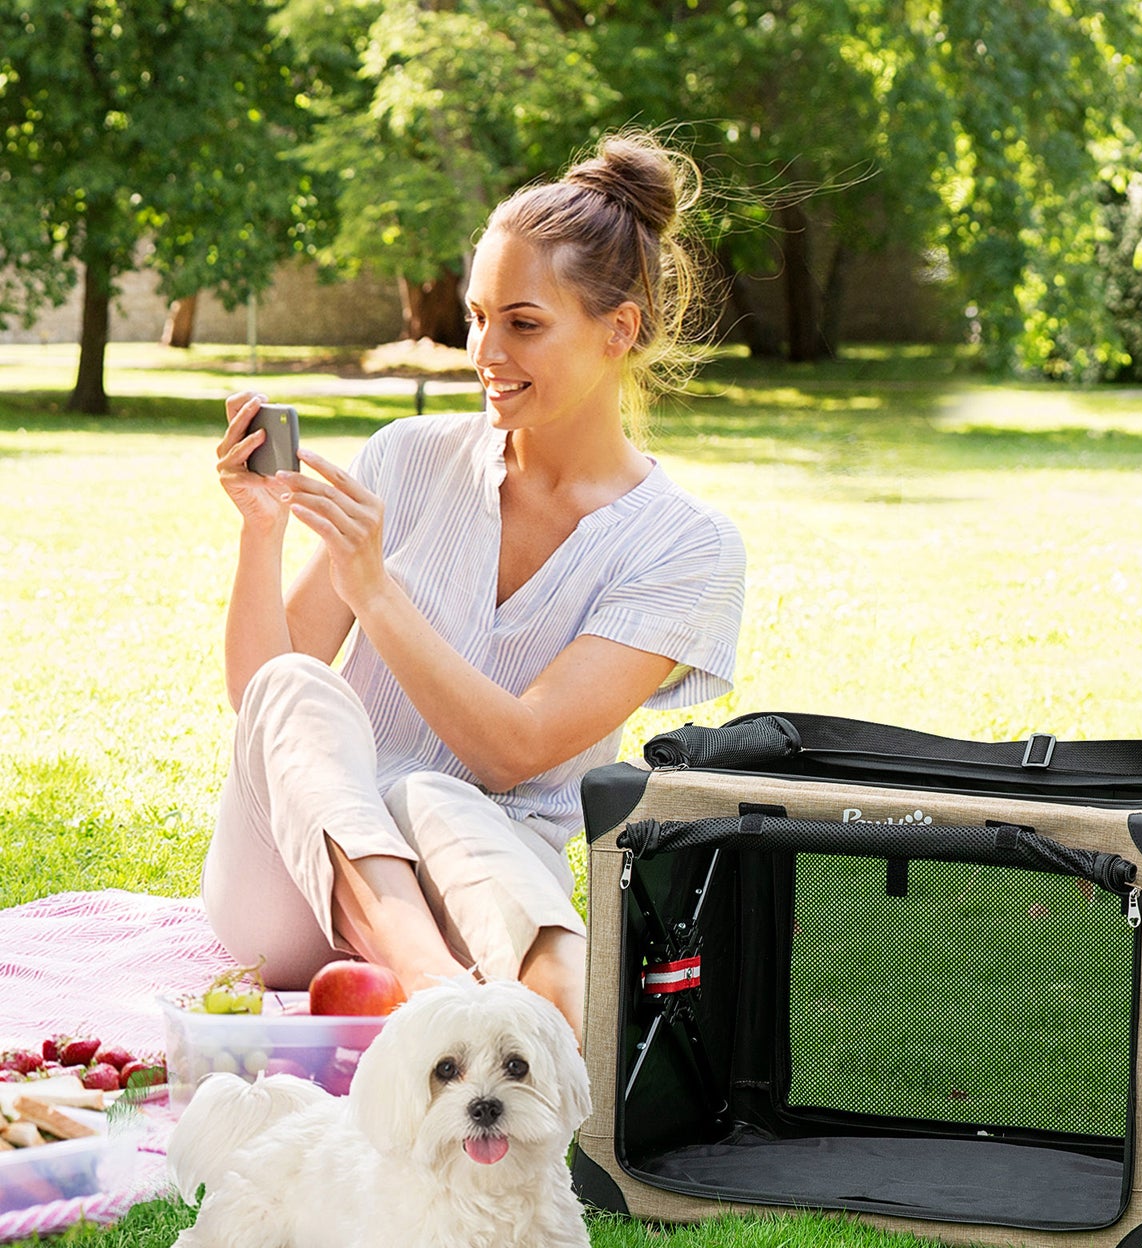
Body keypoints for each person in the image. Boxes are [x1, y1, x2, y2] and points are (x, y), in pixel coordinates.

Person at [201, 133, 745, 1043]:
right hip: (295, 882)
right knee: (302, 688)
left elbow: (515, 754)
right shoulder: (408, 458)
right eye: (476, 316)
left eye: (523, 323)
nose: (484, 351)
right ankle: (432, 992)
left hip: (483, 884)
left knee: (433, 795)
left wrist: (376, 590)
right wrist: (262, 535)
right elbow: (261, 699)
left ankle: (558, 1011)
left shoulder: (686, 547)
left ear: (621, 329)